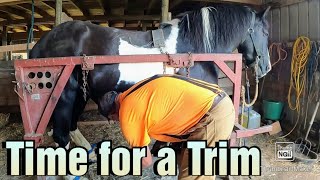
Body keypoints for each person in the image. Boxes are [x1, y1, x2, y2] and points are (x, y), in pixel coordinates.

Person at [98, 74, 235, 179]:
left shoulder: (127, 114)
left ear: (113, 114)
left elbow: (146, 161)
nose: (116, 122)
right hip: (216, 104)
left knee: (193, 175)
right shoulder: (132, 92)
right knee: (184, 164)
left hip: (212, 116)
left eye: (113, 120)